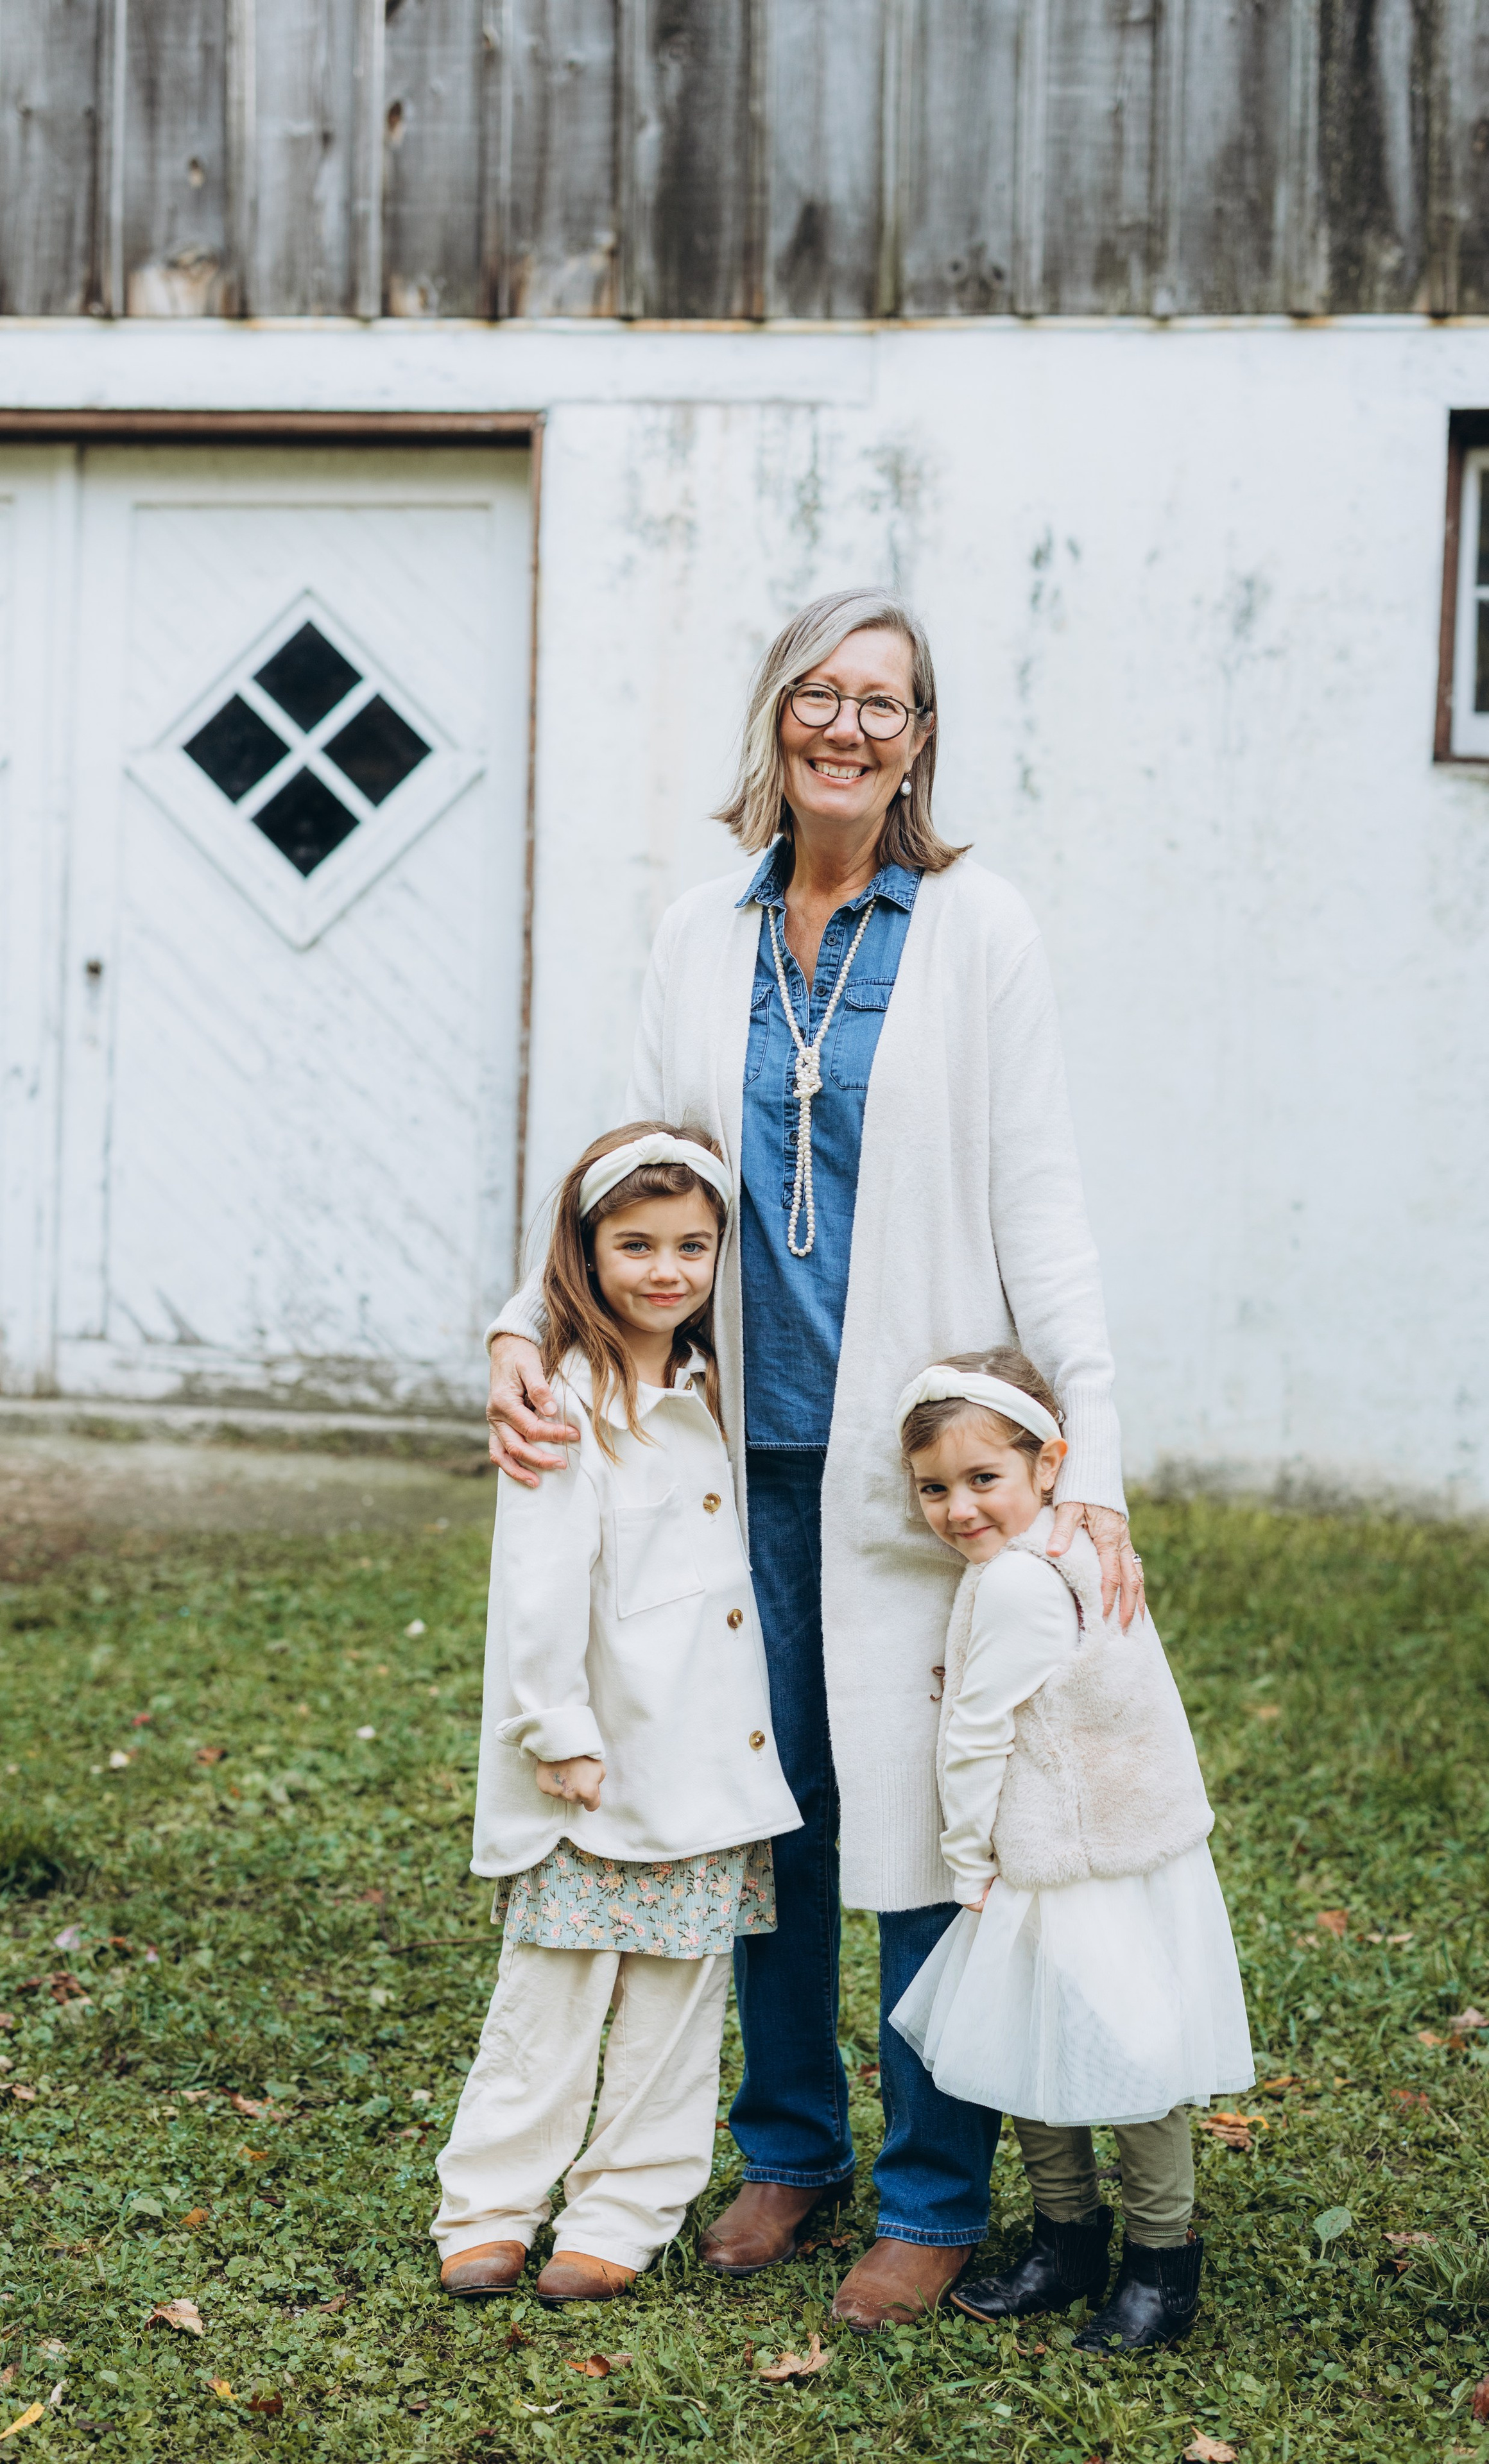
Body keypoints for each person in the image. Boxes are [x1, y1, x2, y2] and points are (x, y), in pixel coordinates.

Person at [486, 586, 1144, 2329]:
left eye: (887, 703)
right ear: (776, 716)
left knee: (937, 1825)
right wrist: (519, 1324)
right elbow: (626, 1166)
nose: (849, 727)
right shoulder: (700, 929)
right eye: (821, 695)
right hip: (722, 1462)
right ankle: (789, 2152)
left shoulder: (980, 928)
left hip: (919, 1473)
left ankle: (932, 2191)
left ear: (922, 741)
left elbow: (1042, 1204)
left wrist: (1093, 1466)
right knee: (758, 1815)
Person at [432, 1124, 802, 2306]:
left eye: (693, 1246)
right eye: (635, 1244)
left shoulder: (709, 1380)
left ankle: (624, 2212)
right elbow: (538, 1584)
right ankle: (490, 2206)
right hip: (599, 1762)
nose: (665, 1270)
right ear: (584, 1255)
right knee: (552, 1994)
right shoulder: (566, 1397)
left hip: (707, 1760)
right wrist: (559, 1730)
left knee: (678, 2006)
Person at [888, 1350, 1253, 2350]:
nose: (959, 1508)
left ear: (1051, 1464)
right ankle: (1068, 2240)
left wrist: (967, 1862)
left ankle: (1159, 2262)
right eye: (934, 1488)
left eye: (982, 1479)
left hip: (1070, 1860)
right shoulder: (1075, 1550)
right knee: (1036, 2045)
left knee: (1128, 2060)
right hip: (1117, 1848)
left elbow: (974, 1738)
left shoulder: (1019, 1583)